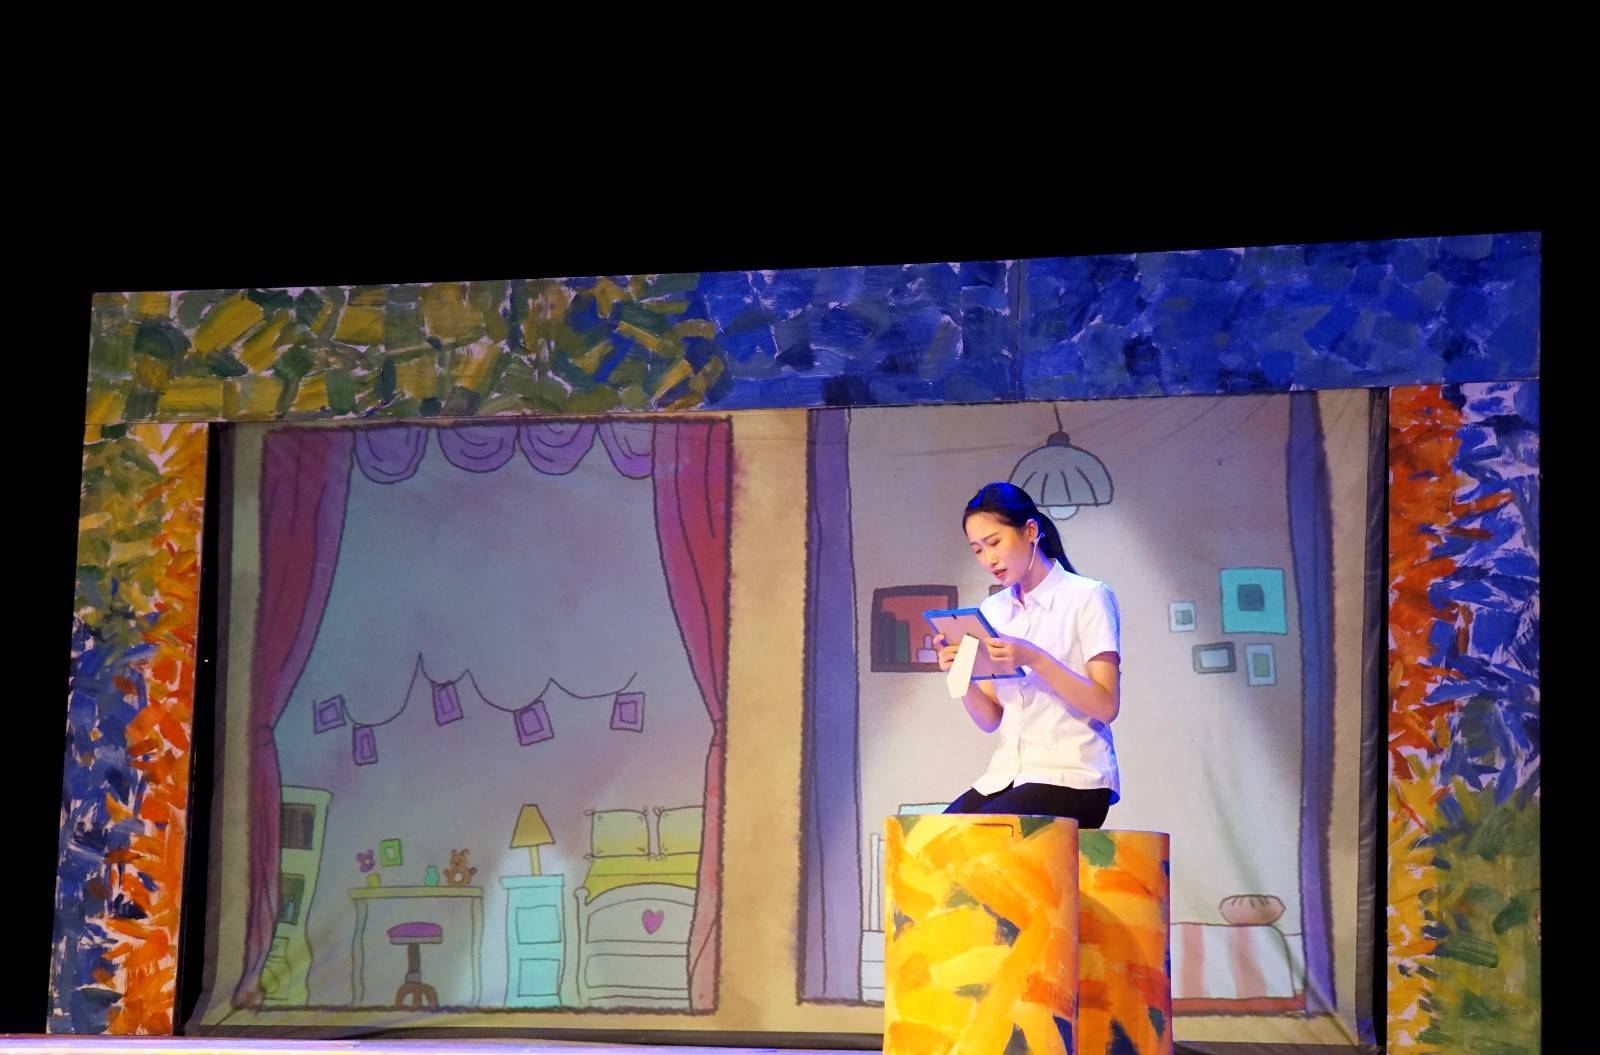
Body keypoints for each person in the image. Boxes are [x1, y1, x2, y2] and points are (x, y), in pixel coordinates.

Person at [935, 482, 1123, 827]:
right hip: (1007, 776)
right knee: (927, 840)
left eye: (994, 543)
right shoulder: (993, 610)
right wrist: (960, 674)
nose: (989, 560)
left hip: (1075, 778)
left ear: (1031, 531)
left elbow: (1106, 705)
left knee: (980, 837)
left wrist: (1034, 658)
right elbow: (989, 719)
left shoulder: (1088, 597)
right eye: (977, 550)